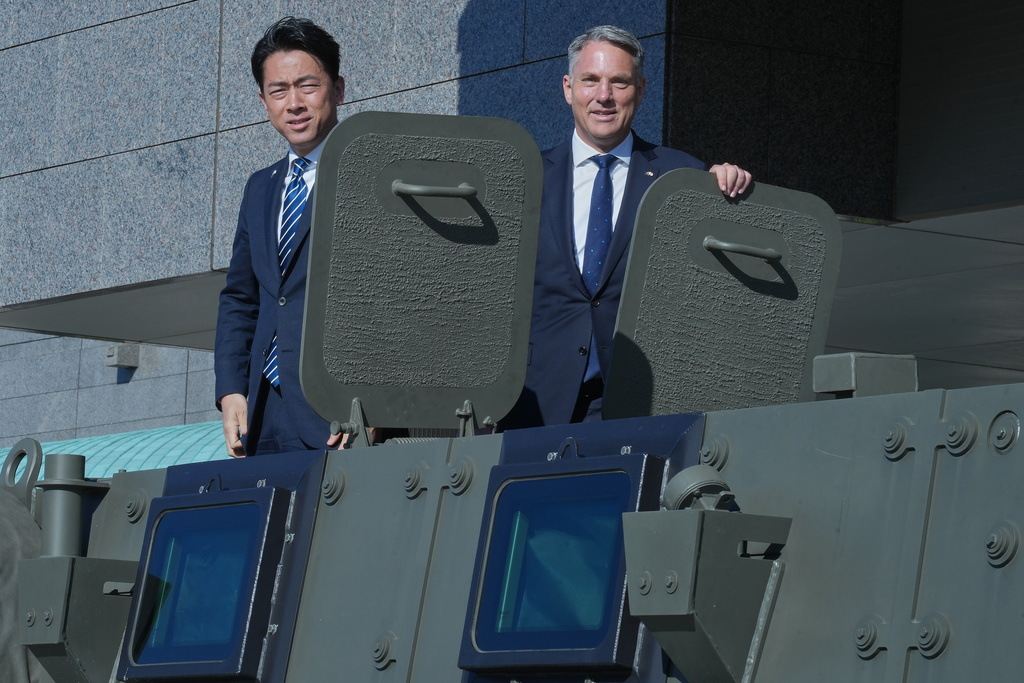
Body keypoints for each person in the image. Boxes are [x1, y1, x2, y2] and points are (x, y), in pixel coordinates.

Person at [501, 25, 752, 429]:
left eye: (619, 82)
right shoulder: (526, 177)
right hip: (535, 403)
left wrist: (723, 188)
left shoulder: (682, 178)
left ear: (641, 89)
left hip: (643, 404)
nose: (604, 96)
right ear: (568, 88)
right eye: (591, 81)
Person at [215, 17, 345, 457]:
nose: (294, 103)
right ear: (264, 101)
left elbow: (395, 296)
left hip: (336, 413)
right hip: (262, 409)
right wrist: (231, 388)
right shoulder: (260, 187)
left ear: (338, 89)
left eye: (307, 85)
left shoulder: (369, 175)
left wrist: (372, 402)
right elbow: (240, 297)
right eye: (278, 90)